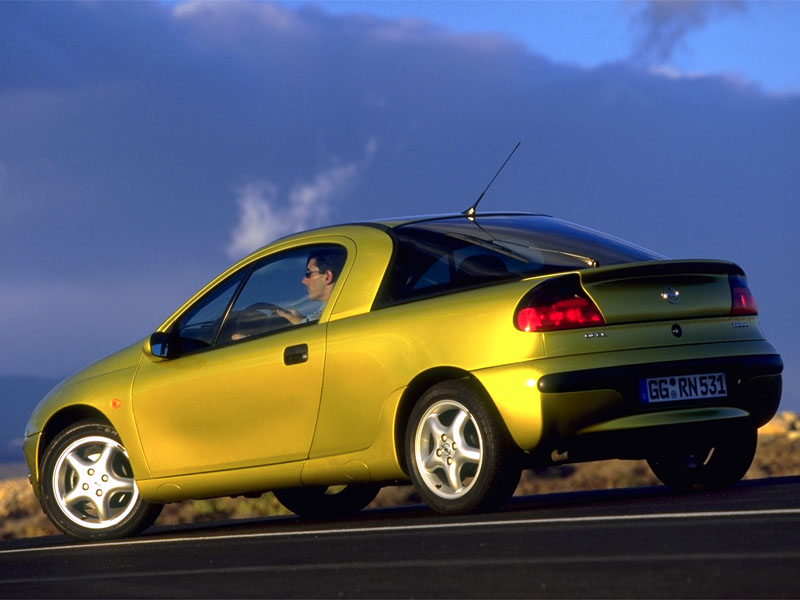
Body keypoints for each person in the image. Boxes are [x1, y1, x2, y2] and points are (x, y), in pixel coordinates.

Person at [274, 249, 344, 325]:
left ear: (327, 276)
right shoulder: (338, 311)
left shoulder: (333, 314)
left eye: (308, 273)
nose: (303, 281)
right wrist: (293, 318)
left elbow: (315, 333)